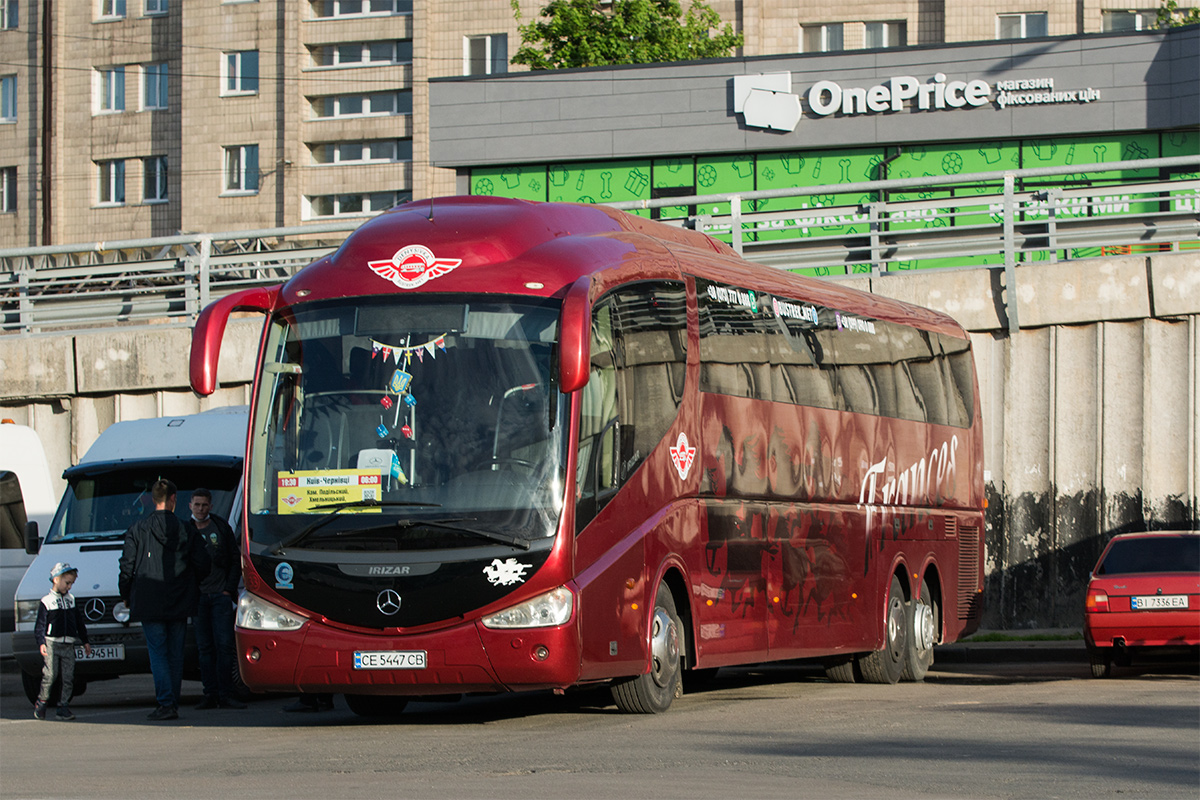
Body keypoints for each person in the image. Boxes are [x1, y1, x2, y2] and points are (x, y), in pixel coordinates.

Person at [118, 479, 210, 721]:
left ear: (153, 499)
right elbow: (203, 562)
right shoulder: (185, 529)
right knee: (175, 653)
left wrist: (126, 594)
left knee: (157, 653)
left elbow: (126, 566)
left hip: (148, 600)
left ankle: (165, 703)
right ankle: (172, 702)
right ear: (173, 499)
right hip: (179, 599)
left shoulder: (138, 529)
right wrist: (191, 583)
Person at [187, 487, 246, 710]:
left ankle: (226, 693)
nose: (200, 509)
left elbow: (234, 558)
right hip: (199, 598)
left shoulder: (221, 527)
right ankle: (209, 693)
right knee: (204, 648)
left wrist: (227, 589)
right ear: (190, 505)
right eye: (197, 504)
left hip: (220, 596)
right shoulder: (186, 529)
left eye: (204, 505)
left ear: (210, 506)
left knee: (224, 645)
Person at [33, 562, 92, 721]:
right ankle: (42, 702)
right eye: (67, 583)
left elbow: (79, 622)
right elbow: (40, 626)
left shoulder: (71, 600)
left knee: (68, 676)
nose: (69, 587)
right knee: (50, 674)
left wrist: (85, 640)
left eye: (72, 583)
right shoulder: (47, 601)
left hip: (68, 644)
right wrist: (41, 642)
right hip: (52, 642)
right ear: (56, 580)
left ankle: (63, 706)